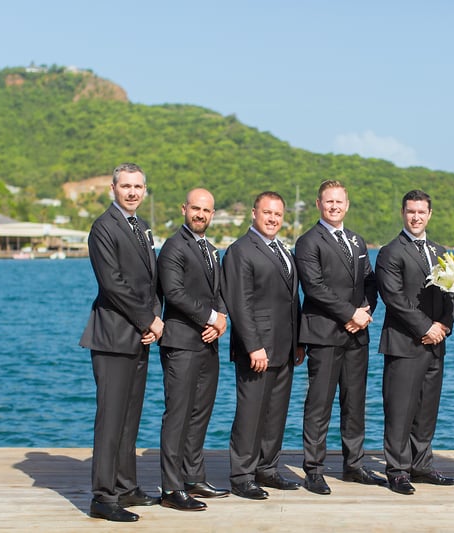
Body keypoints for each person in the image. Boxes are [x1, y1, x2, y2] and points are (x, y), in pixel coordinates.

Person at [79, 162, 163, 522]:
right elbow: (112, 285)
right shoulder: (103, 228)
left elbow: (151, 281)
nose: (132, 192)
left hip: (140, 336)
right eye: (125, 186)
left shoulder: (141, 227)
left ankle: (126, 486)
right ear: (113, 189)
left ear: (144, 191)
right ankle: (103, 496)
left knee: (130, 417)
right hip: (113, 336)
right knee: (111, 419)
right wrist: (148, 319)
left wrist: (156, 319)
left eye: (138, 186)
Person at [295, 180, 385, 495]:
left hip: (357, 334)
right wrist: (350, 313)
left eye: (339, 202)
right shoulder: (308, 242)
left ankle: (354, 465)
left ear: (347, 205)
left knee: (354, 402)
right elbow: (315, 287)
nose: (334, 206)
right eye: (329, 201)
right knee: (319, 404)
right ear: (319, 204)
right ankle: (314, 470)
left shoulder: (358, 241)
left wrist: (365, 311)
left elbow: (370, 281)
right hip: (324, 334)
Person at [220, 191, 305, 500]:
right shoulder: (240, 251)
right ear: (253, 213)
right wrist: (253, 345)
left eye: (278, 215)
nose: (273, 219)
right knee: (251, 412)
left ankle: (267, 468)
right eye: (267, 213)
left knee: (275, 412)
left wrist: (298, 342)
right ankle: (241, 475)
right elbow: (239, 304)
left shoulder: (282, 249)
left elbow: (291, 298)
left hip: (285, 347)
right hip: (257, 349)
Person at [375, 189, 454, 495]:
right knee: (400, 410)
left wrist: (444, 326)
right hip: (404, 343)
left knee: (427, 409)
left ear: (429, 214)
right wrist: (425, 327)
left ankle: (421, 465)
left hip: (436, 343)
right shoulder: (390, 252)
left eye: (422, 212)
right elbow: (394, 299)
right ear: (403, 213)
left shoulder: (441, 251)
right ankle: (397, 470)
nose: (416, 216)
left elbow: (451, 294)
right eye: (411, 211)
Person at [156, 188, 230, 511]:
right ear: (184, 208)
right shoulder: (174, 247)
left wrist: (221, 319)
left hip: (207, 344)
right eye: (195, 208)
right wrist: (211, 316)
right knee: (178, 415)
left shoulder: (212, 250)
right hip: (181, 344)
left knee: (200, 413)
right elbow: (174, 293)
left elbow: (220, 292)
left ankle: (193, 476)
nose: (201, 214)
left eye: (207, 210)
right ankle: (171, 488)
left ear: (213, 214)